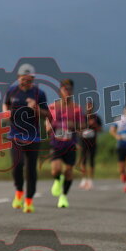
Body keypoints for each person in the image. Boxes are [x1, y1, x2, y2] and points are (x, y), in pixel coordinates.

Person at [4, 63, 51, 213]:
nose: (26, 82)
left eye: (29, 80)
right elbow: (6, 105)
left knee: (31, 169)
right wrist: (6, 113)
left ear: (33, 79)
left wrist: (36, 108)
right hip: (15, 135)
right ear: (18, 78)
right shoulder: (12, 91)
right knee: (17, 166)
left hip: (33, 137)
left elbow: (47, 114)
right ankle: (19, 191)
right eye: (24, 79)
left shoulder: (39, 93)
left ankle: (29, 200)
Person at [47, 79, 84, 208]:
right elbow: (47, 123)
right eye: (65, 89)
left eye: (69, 89)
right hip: (56, 143)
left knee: (68, 171)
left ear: (72, 91)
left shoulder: (77, 108)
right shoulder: (53, 107)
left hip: (70, 144)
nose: (67, 91)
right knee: (55, 170)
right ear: (60, 91)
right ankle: (58, 180)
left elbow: (82, 126)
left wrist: (74, 125)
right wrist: (49, 127)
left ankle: (63, 196)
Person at [78, 99, 102, 190]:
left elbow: (100, 130)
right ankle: (84, 179)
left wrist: (94, 125)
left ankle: (91, 180)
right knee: (83, 160)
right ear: (85, 107)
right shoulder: (82, 118)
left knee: (91, 161)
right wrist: (84, 127)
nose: (89, 108)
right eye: (88, 106)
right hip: (83, 142)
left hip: (93, 142)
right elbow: (77, 130)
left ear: (93, 107)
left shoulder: (97, 118)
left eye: (90, 106)